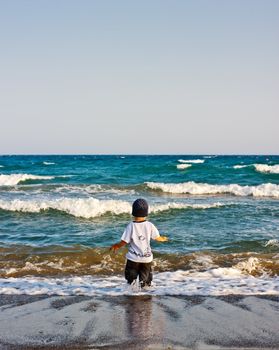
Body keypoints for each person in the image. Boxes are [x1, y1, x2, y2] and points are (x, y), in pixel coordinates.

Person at [110, 198, 168, 288]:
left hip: (133, 258)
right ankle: (145, 295)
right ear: (146, 212)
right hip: (146, 259)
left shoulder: (131, 226)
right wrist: (163, 238)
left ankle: (131, 294)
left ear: (133, 211)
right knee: (146, 280)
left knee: (131, 279)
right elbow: (157, 238)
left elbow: (124, 241)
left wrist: (116, 246)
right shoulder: (150, 225)